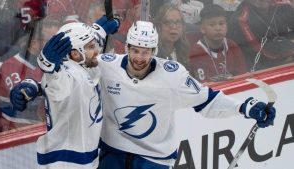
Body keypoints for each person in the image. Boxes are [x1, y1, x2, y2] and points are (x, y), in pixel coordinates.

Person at [95, 21, 275, 168]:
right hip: (112, 153)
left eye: (146, 52)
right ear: (126, 47)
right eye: (135, 50)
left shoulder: (172, 76)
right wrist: (95, 30)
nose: (139, 58)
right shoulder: (106, 66)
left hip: (153, 159)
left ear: (154, 51)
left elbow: (207, 101)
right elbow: (74, 68)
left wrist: (244, 108)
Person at [9, 16, 119, 168]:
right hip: (66, 163)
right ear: (75, 54)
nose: (97, 50)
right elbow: (58, 82)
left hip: (83, 158)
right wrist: (48, 66)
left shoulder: (83, 65)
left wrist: (98, 30)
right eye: (91, 47)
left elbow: (84, 46)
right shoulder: (68, 75)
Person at [227, 0, 294, 71]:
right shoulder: (241, 20)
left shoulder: (284, 6)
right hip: (262, 70)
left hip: (288, 61)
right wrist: (290, 50)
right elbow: (264, 52)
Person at [188, 4, 247, 83]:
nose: (218, 28)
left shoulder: (232, 45)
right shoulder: (196, 52)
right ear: (202, 29)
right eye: (212, 25)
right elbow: (203, 85)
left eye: (221, 23)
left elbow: (242, 75)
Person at [154, 3, 191, 69]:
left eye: (178, 22)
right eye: (168, 22)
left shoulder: (184, 50)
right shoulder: (153, 52)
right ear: (159, 26)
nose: (174, 27)